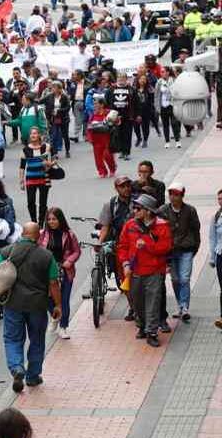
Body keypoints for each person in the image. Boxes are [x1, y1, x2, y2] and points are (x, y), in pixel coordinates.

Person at [0, 222, 62, 392]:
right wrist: (58, 305)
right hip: (37, 305)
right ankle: (33, 376)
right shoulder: (46, 256)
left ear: (22, 234)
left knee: (12, 339)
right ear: (38, 235)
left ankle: (17, 368)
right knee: (37, 339)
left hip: (13, 304)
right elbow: (53, 282)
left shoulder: (7, 251)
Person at [117, 194, 173, 346]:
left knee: (153, 302)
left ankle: (151, 332)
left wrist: (147, 244)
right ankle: (142, 325)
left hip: (155, 271)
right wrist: (125, 264)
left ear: (148, 211)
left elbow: (165, 247)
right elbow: (122, 246)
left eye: (138, 208)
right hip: (135, 271)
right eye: (134, 208)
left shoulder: (162, 226)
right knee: (137, 303)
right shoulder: (130, 225)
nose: (134, 210)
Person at [161, 182, 200, 325]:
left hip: (186, 250)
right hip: (170, 251)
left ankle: (184, 308)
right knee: (175, 280)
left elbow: (196, 230)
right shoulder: (163, 210)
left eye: (176, 194)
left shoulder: (190, 210)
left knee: (184, 279)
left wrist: (195, 246)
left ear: (182, 195)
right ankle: (180, 305)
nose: (173, 197)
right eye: (171, 194)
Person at [39, 208, 81, 339]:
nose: (51, 222)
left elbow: (76, 251)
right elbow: (36, 249)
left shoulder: (69, 234)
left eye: (54, 219)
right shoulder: (42, 234)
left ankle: (63, 327)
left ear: (60, 220)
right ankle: (55, 317)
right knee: (47, 299)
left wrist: (69, 261)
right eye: (49, 219)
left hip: (65, 271)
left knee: (64, 300)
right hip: (47, 271)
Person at [19, 127, 55, 226]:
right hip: (30, 179)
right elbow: (22, 167)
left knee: (43, 203)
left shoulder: (46, 147)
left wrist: (49, 164)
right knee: (30, 202)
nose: (33, 135)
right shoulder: (25, 150)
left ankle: (41, 223)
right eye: (31, 134)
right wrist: (21, 181)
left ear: (39, 135)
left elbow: (54, 159)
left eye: (35, 133)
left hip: (44, 178)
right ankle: (34, 222)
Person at [86, 99, 117, 178]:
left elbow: (116, 121)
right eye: (94, 104)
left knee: (107, 155)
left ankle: (112, 169)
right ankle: (102, 172)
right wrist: (89, 137)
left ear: (102, 105)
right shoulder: (93, 114)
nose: (94, 106)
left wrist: (114, 120)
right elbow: (89, 127)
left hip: (107, 138)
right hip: (96, 139)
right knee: (98, 157)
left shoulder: (108, 112)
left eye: (96, 104)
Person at [209, 189, 222, 330]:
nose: (220, 201)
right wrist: (212, 257)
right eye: (219, 199)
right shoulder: (216, 217)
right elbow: (212, 238)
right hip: (220, 255)